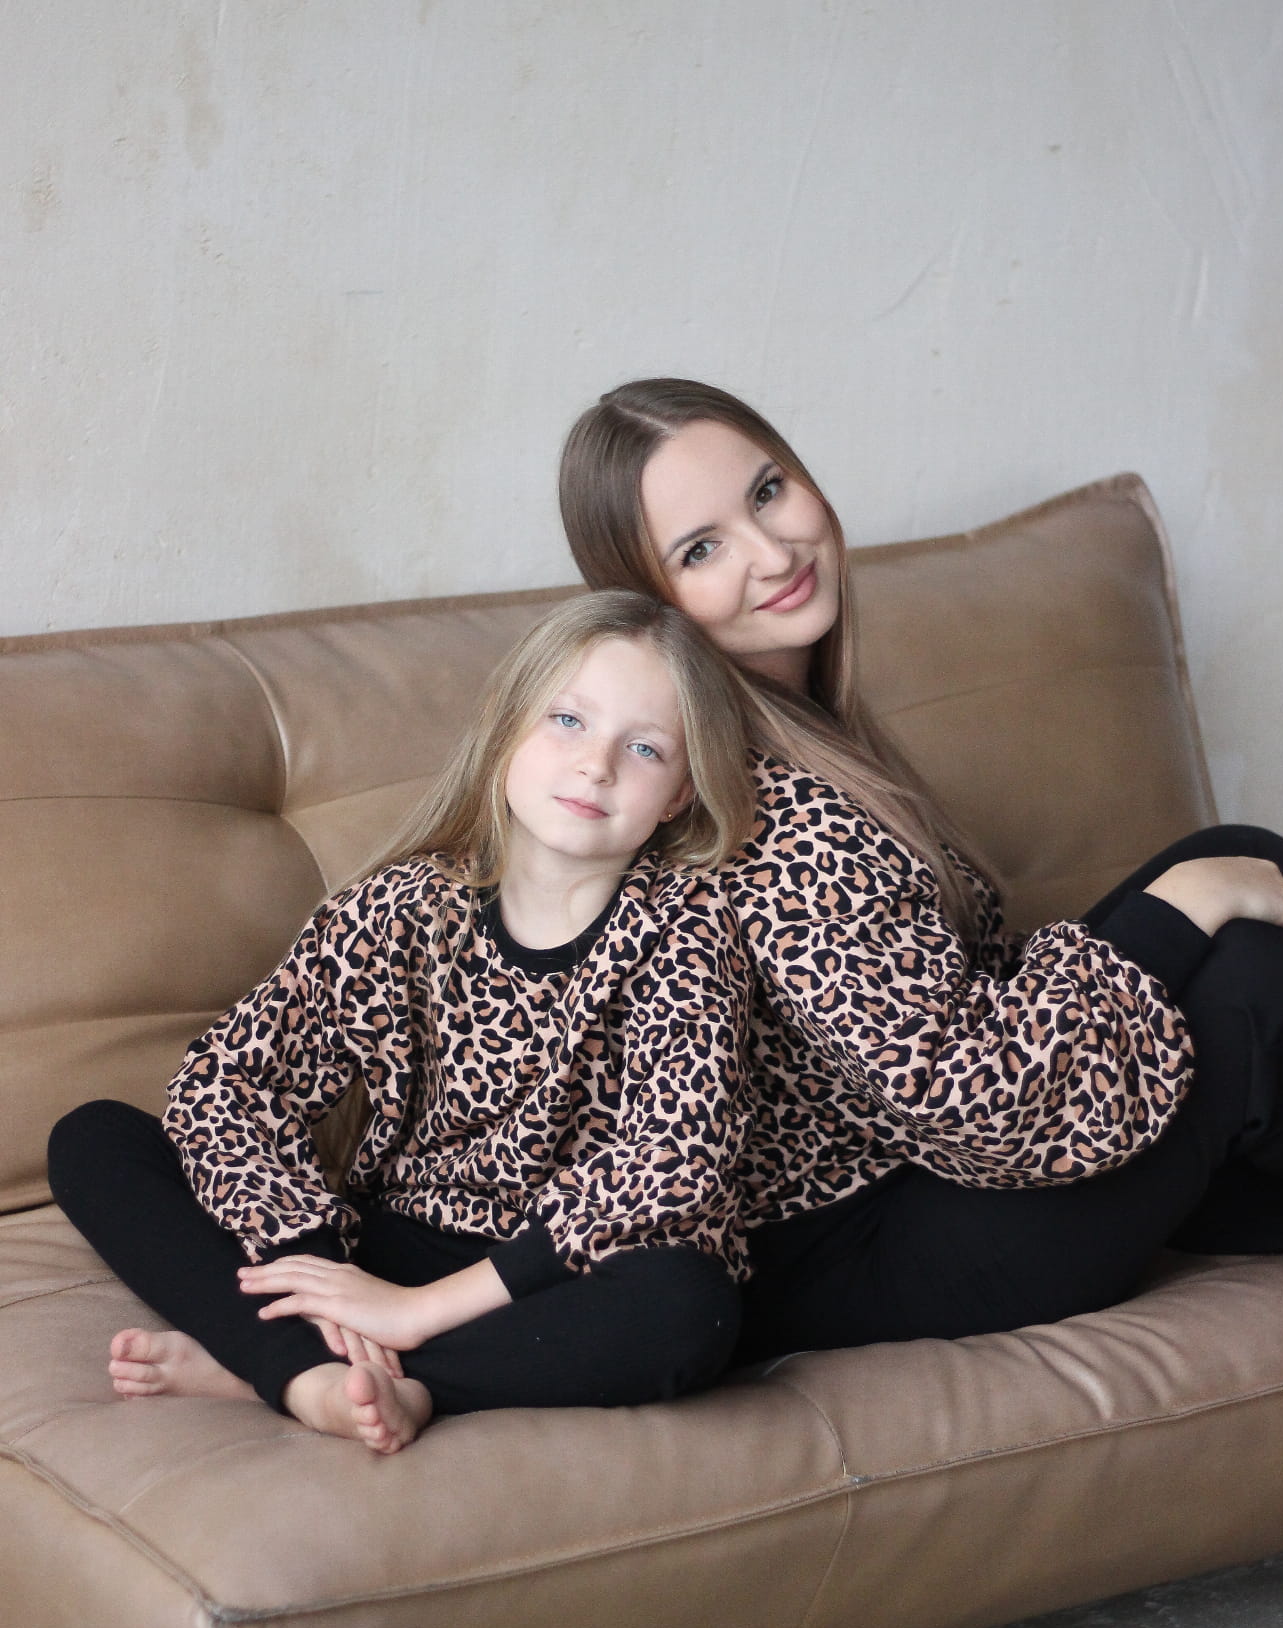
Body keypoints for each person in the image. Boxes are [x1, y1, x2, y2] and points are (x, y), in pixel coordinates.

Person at [558, 378, 1283, 1361]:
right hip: (872, 1244)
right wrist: (1167, 921)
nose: (772, 553)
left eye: (767, 491)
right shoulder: (757, 807)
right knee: (1254, 978)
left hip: (917, 1161)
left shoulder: (802, 725)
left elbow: (939, 1012)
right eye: (700, 550)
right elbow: (976, 1107)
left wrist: (1177, 909)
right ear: (652, 604)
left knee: (1235, 863)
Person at [47, 591, 758, 1453]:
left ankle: (316, 1373)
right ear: (507, 729)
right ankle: (307, 1365)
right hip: (392, 1238)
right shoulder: (401, 906)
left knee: (691, 1307)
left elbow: (675, 1163)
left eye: (643, 748)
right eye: (567, 719)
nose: (596, 765)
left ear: (680, 793)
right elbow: (228, 1081)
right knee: (92, 1138)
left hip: (545, 1274)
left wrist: (416, 1313)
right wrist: (321, 1272)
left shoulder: (688, 929)